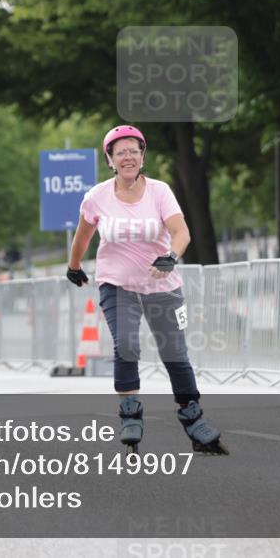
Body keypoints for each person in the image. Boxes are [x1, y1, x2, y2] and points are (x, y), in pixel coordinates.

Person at [67, 125, 228, 455]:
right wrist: (73, 266)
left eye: (134, 151)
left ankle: (193, 418)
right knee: (125, 344)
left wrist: (170, 256)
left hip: (161, 284)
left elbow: (181, 232)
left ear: (143, 157)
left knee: (175, 354)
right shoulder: (97, 196)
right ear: (110, 160)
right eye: (120, 152)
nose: (128, 157)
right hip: (117, 283)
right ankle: (130, 413)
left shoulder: (160, 191)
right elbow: (83, 235)